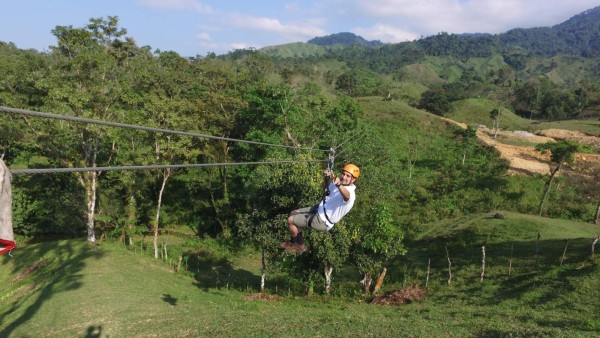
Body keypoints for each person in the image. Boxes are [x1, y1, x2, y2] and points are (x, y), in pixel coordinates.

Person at [280, 163, 360, 254]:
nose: (344, 177)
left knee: (290, 220)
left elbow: (346, 196)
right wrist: (326, 178)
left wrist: (338, 184)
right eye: (343, 174)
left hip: (322, 220)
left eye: (348, 176)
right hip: (320, 208)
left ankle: (300, 247)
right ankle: (295, 241)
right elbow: (326, 189)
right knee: (293, 213)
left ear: (353, 179)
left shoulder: (350, 194)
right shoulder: (338, 183)